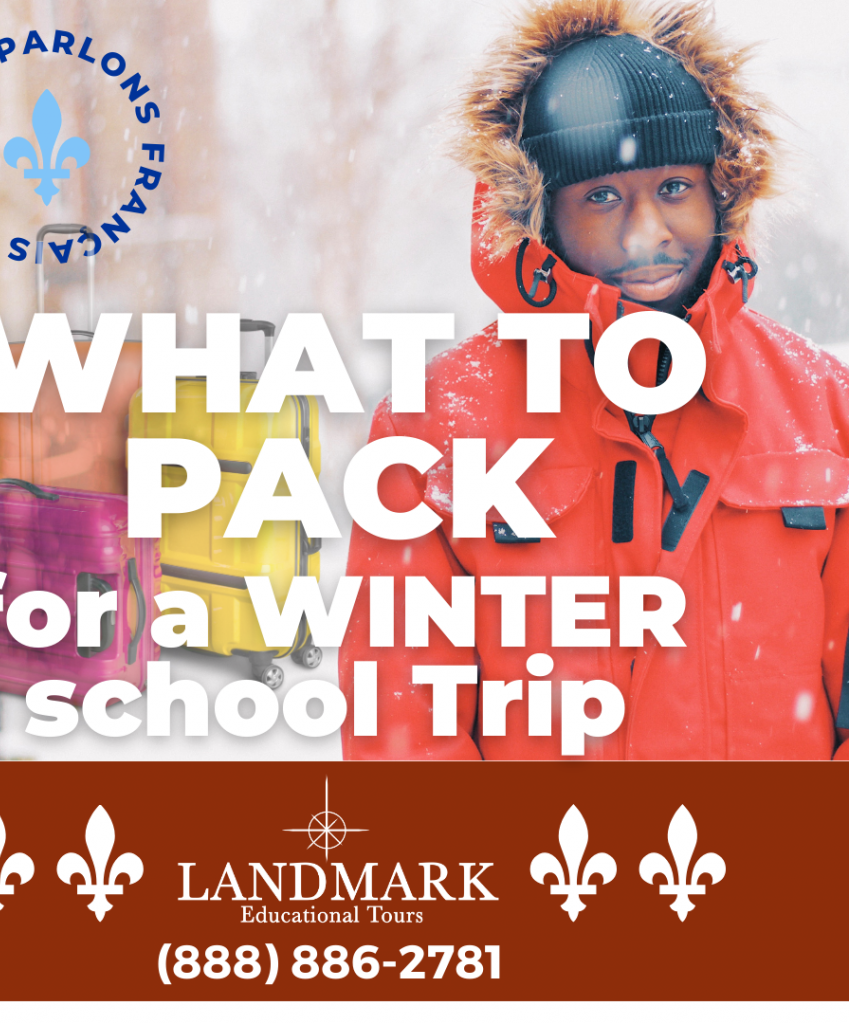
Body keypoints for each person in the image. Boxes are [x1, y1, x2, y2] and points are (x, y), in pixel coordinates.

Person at [338, 0, 849, 760]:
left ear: (722, 191)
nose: (646, 232)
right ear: (542, 215)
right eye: (602, 197)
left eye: (673, 186)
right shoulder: (435, 429)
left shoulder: (824, 406)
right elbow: (403, 733)